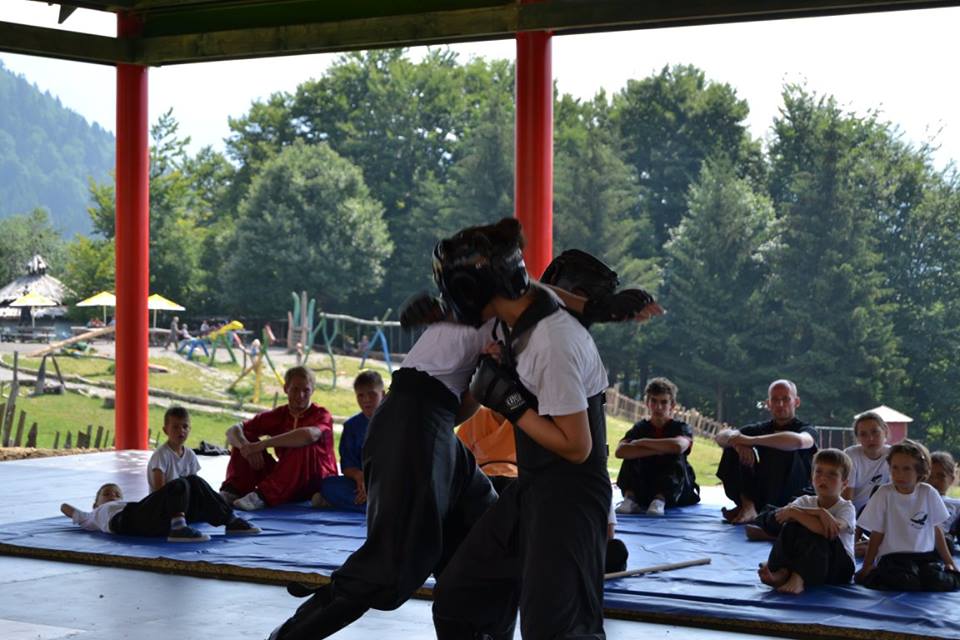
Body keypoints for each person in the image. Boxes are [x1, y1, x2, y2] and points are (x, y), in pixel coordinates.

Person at [431, 218, 615, 639]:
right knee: (461, 597)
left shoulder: (555, 341)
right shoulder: (518, 320)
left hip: (570, 498)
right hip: (531, 488)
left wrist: (509, 401)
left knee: (557, 631)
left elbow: (577, 446)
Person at [220, 366, 337, 511]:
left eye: (306, 390)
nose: (300, 395)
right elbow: (233, 430)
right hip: (285, 478)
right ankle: (233, 490)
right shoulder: (279, 414)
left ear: (313, 390)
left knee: (301, 443)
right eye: (295, 389)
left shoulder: (321, 414)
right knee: (246, 437)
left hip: (315, 481)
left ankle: (263, 496)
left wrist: (263, 444)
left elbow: (308, 435)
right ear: (286, 388)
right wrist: (246, 447)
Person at [856, 439, 960, 591]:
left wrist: (949, 562)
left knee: (935, 579)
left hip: (924, 556)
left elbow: (936, 530)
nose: (899, 474)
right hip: (893, 556)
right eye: (895, 468)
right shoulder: (884, 493)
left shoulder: (928, 492)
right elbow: (877, 533)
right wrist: (867, 565)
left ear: (920, 471)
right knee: (905, 580)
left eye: (906, 469)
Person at [715, 379, 818, 525]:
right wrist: (737, 444)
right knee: (731, 448)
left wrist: (749, 441)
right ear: (768, 404)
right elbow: (721, 436)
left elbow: (799, 441)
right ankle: (748, 506)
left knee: (783, 446)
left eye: (786, 399)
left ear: (796, 402)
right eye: (775, 400)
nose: (780, 404)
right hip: (764, 490)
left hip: (794, 492)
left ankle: (769, 511)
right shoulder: (762, 428)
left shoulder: (807, 429)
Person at [757, 449, 856, 594]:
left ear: (844, 483)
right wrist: (808, 513)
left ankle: (799, 577)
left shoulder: (846, 507)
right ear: (811, 477)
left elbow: (828, 530)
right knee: (792, 525)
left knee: (816, 531)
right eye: (819, 472)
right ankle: (782, 572)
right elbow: (783, 515)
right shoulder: (805, 501)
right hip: (811, 562)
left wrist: (817, 513)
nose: (823, 478)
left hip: (838, 568)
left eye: (832, 474)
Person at [61, 478, 259, 542]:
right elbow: (65, 508)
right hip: (126, 521)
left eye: (116, 493)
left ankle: (229, 520)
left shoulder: (128, 504)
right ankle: (178, 528)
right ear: (95, 504)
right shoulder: (92, 516)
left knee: (193, 482)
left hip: (143, 516)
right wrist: (79, 512)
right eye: (106, 494)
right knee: (179, 484)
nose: (112, 495)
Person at [615, 377, 700, 516]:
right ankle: (630, 499)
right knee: (631, 456)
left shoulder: (681, 427)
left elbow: (678, 446)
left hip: (674, 490)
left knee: (675, 455)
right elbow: (621, 451)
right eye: (654, 401)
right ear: (647, 403)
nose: (658, 407)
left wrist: (642, 443)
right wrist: (660, 449)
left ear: (672, 405)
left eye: (664, 402)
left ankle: (660, 500)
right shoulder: (640, 428)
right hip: (646, 485)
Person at [311, 371, 386, 512]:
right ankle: (379, 507)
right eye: (361, 395)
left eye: (372, 394)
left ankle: (374, 506)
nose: (366, 400)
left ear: (383, 394)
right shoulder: (351, 426)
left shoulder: (396, 422)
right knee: (328, 486)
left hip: (388, 483)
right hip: (360, 484)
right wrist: (360, 477)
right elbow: (347, 466)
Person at [455, 407, 517, 493]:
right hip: (481, 478)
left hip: (514, 479)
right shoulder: (475, 416)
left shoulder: (523, 418)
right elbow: (460, 458)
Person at [843, 411, 891, 514]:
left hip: (882, 513)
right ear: (857, 438)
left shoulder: (893, 455)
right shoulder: (851, 455)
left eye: (875, 432)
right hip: (853, 513)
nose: (870, 438)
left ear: (885, 431)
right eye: (863, 434)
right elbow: (847, 497)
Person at [147, 406, 201, 492]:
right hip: (164, 498)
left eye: (185, 426)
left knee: (200, 484)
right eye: (175, 427)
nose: (181, 430)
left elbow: (195, 485)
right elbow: (160, 491)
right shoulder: (161, 455)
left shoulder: (190, 455)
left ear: (189, 429)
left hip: (184, 496)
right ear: (165, 430)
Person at [929, 451, 960, 552]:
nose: (934, 481)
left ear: (951, 479)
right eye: (930, 476)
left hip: (944, 544)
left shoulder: (956, 504)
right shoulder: (917, 500)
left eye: (941, 476)